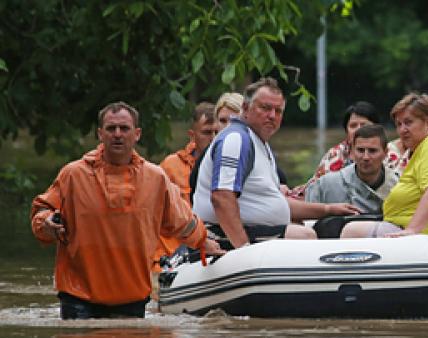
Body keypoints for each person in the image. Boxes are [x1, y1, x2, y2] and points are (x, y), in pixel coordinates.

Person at [30, 102, 223, 319]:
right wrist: (47, 223)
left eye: (124, 128)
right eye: (111, 129)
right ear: (100, 134)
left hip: (132, 298)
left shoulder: (155, 178)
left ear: (137, 134)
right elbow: (41, 213)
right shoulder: (73, 175)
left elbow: (183, 221)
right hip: (79, 298)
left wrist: (205, 242)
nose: (118, 135)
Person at [193, 77, 360, 248]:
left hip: (251, 229)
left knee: (328, 227)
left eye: (278, 111)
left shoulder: (258, 142)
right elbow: (222, 198)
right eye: (265, 108)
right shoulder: (236, 139)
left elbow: (273, 202)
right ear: (245, 108)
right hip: (219, 234)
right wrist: (243, 250)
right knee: (304, 236)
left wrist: (328, 210)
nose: (272, 116)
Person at [341, 93, 428, 243]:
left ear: (427, 122)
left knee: (351, 231)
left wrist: (412, 230)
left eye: (408, 122)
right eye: (399, 124)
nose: (402, 130)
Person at [155, 102, 216, 262]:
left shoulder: (231, 165)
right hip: (178, 246)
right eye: (207, 132)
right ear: (192, 135)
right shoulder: (171, 166)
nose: (213, 138)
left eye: (217, 132)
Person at [291, 101, 380, 197]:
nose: (358, 130)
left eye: (364, 125)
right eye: (353, 126)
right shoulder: (335, 155)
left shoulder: (389, 154)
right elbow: (316, 187)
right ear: (347, 131)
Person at [305, 124, 398, 214]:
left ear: (385, 153)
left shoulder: (399, 185)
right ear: (353, 151)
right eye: (360, 150)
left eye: (372, 151)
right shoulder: (325, 185)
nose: (365, 157)